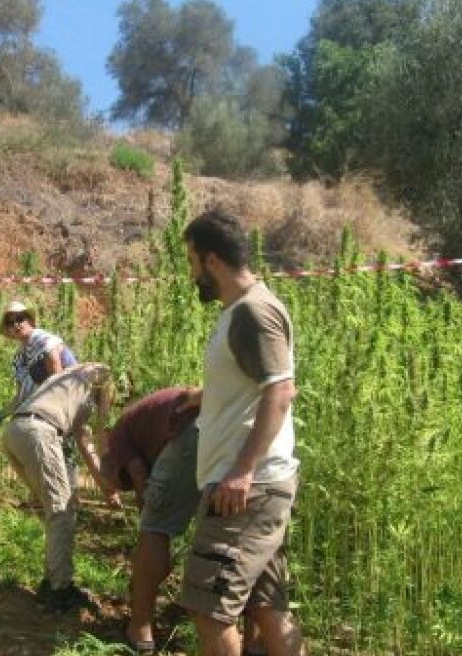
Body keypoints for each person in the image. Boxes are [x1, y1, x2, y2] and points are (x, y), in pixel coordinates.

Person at [177, 209, 307, 656]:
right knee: (268, 607)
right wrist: (207, 394)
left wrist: (241, 470)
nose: (192, 273)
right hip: (249, 485)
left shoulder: (254, 312)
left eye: (193, 261)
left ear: (212, 261)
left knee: (209, 607)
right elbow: (254, 387)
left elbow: (281, 390)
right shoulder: (239, 311)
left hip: (245, 491)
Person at [75, 386, 201, 654]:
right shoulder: (141, 425)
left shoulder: (119, 438)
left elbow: (140, 476)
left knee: (154, 531)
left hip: (191, 431)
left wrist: (146, 542)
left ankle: (140, 628)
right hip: (224, 427)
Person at [0, 362, 115, 612]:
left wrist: (104, 487)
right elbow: (92, 436)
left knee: (60, 509)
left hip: (15, 431)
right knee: (62, 511)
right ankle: (59, 590)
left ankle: (52, 580)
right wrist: (108, 484)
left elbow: (80, 433)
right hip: (39, 433)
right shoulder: (102, 376)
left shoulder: (70, 379)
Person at [0, 300, 78, 430]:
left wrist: (60, 410)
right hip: (50, 406)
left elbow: (57, 375)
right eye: (10, 323)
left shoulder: (41, 338)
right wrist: (1, 414)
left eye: (20, 319)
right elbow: (21, 397)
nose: (16, 325)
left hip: (71, 394)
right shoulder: (19, 359)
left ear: (30, 321)